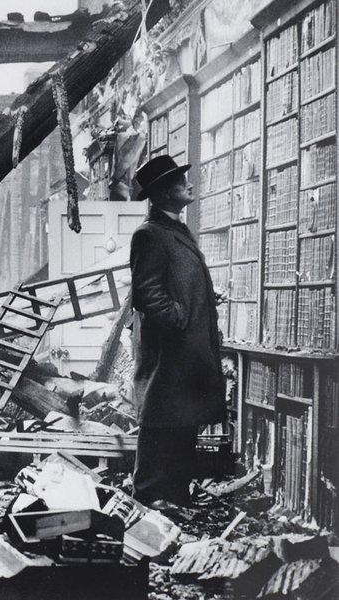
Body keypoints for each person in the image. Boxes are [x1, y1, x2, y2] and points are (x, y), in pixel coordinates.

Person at [129, 154, 226, 511]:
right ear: (163, 193)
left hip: (185, 352)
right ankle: (149, 503)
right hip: (171, 352)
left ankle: (175, 502)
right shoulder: (149, 234)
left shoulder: (175, 230)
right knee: (159, 427)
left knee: (181, 425)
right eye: (179, 180)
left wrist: (198, 298)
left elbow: (173, 283)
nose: (188, 183)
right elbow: (147, 294)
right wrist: (179, 318)